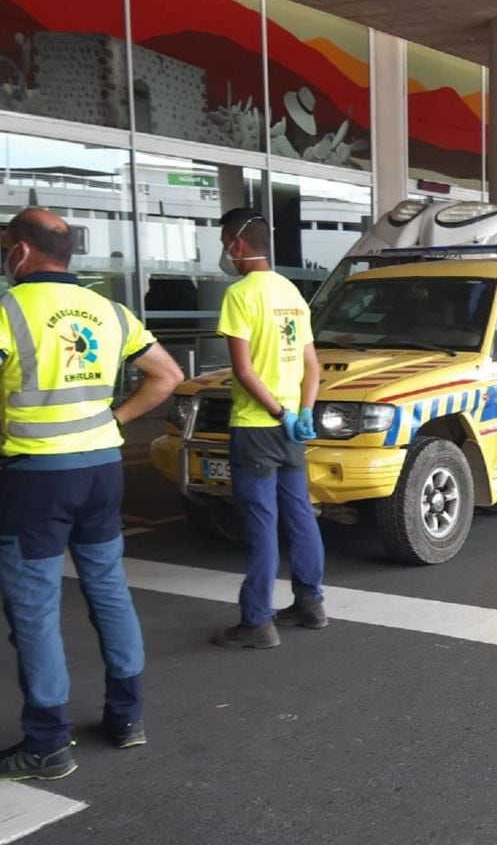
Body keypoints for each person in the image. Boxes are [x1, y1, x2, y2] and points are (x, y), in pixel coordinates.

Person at [0, 208, 183, 781]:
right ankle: (127, 719)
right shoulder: (111, 311)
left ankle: (48, 742)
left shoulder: (7, 311)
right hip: (102, 470)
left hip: (34, 480)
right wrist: (115, 419)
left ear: (21, 251)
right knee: (108, 590)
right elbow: (167, 375)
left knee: (35, 608)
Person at [211, 207, 326, 649]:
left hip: (258, 426)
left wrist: (279, 413)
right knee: (299, 514)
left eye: (224, 243)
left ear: (238, 244)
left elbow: (242, 371)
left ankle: (257, 621)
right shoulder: (292, 294)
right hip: (292, 427)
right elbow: (311, 366)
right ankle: (310, 603)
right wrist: (303, 413)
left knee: (261, 524)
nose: (224, 252)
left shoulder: (240, 295)